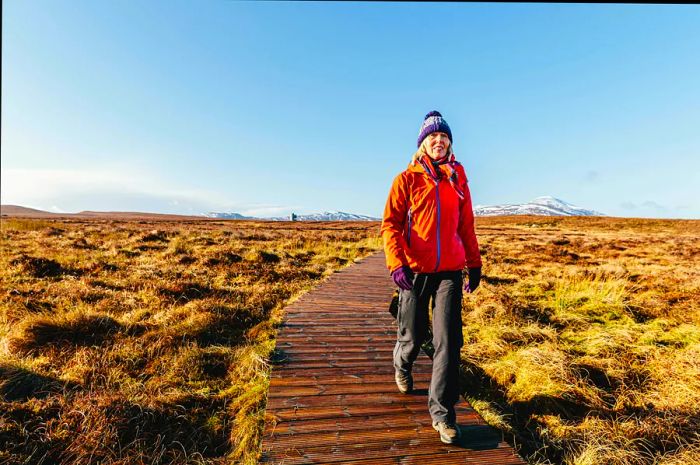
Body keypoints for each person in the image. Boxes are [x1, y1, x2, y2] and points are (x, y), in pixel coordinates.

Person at [380, 110, 482, 445]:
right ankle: (403, 363)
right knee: (413, 334)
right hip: (415, 271)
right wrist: (397, 263)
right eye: (432, 137)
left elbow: (465, 225)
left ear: (450, 142)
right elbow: (391, 224)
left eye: (444, 137)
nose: (439, 141)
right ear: (423, 144)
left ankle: (443, 415)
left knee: (449, 341)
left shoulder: (458, 179)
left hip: (449, 272)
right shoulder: (406, 179)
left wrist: (474, 262)